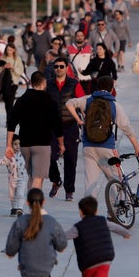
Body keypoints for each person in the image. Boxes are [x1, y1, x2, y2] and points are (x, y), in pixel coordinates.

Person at [65, 75, 139, 198]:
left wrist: (79, 121)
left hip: (88, 147)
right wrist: (137, 148)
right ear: (112, 89)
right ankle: (114, 213)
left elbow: (69, 103)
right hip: (107, 147)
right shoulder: (114, 105)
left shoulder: (88, 99)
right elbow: (127, 129)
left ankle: (89, 212)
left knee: (90, 183)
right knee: (115, 180)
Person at [65, 195, 131, 277]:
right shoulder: (103, 221)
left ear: (80, 212)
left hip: (88, 263)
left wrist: (52, 241)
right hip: (105, 260)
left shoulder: (78, 227)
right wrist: (126, 233)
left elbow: (64, 237)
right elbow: (116, 227)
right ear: (96, 211)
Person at [4, 188, 68, 277]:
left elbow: (12, 245)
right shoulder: (51, 221)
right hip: (47, 261)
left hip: (28, 262)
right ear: (43, 202)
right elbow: (61, 244)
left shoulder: (21, 221)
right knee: (45, 266)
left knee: (28, 272)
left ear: (27, 203)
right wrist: (60, 248)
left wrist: (10, 253)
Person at [6, 71, 64, 190]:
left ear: (31, 83)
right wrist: (61, 144)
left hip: (25, 144)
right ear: (44, 83)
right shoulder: (49, 100)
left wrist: (9, 145)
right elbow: (57, 125)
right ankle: (34, 205)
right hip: (42, 144)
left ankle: (32, 203)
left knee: (32, 175)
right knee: (38, 178)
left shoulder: (22, 99)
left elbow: (11, 123)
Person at [46, 57, 86, 202]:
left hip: (70, 126)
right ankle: (56, 181)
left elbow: (82, 103)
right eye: (56, 66)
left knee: (71, 159)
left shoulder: (74, 84)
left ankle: (69, 190)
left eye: (61, 66)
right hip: (51, 127)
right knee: (49, 157)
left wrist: (84, 121)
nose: (58, 69)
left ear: (67, 67)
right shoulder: (48, 85)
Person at [0, 134, 28, 216]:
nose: (18, 146)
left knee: (20, 194)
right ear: (10, 145)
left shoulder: (24, 154)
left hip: (22, 179)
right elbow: (2, 162)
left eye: (19, 144)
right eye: (15, 144)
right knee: (12, 196)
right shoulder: (8, 156)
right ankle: (14, 208)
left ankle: (20, 208)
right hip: (12, 180)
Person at [0, 43, 25, 117]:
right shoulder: (2, 58)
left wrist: (13, 67)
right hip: (4, 82)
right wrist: (4, 67)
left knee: (10, 101)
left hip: (13, 82)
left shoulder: (17, 59)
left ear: (13, 50)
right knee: (6, 101)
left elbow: (20, 71)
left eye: (10, 50)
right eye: (7, 50)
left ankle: (9, 119)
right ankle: (9, 117)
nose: (8, 51)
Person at [67, 30, 94, 94]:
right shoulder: (69, 49)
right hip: (74, 79)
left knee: (87, 98)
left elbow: (93, 63)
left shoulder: (90, 49)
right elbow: (67, 64)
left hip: (87, 79)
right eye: (78, 36)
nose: (79, 37)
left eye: (81, 36)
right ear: (75, 37)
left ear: (84, 37)